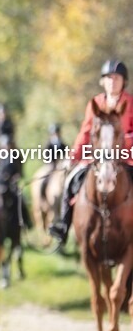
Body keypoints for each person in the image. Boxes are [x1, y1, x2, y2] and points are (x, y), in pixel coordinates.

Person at [49, 60, 133, 244]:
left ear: (123, 81)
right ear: (102, 81)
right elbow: (85, 132)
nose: (112, 81)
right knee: (70, 181)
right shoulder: (95, 103)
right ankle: (63, 225)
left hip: (125, 158)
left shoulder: (130, 103)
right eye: (108, 78)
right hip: (97, 158)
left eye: (116, 78)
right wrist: (73, 157)